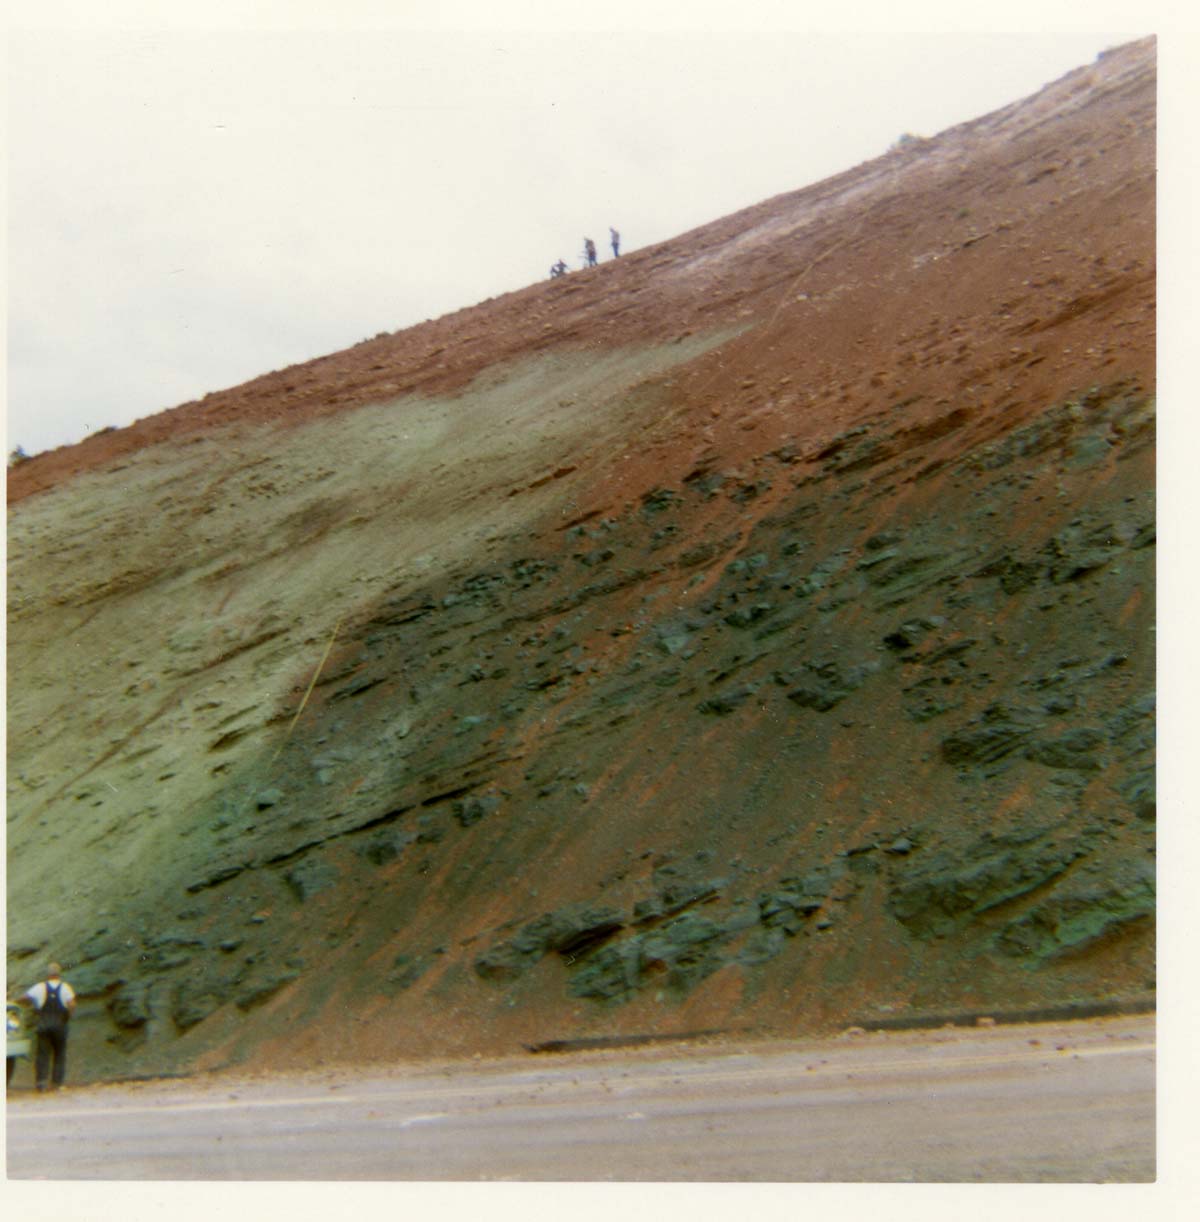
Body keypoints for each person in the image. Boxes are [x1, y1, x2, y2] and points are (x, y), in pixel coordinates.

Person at [22, 963, 76, 1091]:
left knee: (42, 1054)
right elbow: (72, 1004)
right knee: (59, 1053)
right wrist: (68, 1016)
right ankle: (57, 1084)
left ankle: (41, 1083)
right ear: (59, 974)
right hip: (60, 1025)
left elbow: (24, 997)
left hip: (43, 1024)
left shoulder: (40, 987)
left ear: (48, 974)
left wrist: (32, 1005)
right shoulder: (65, 987)